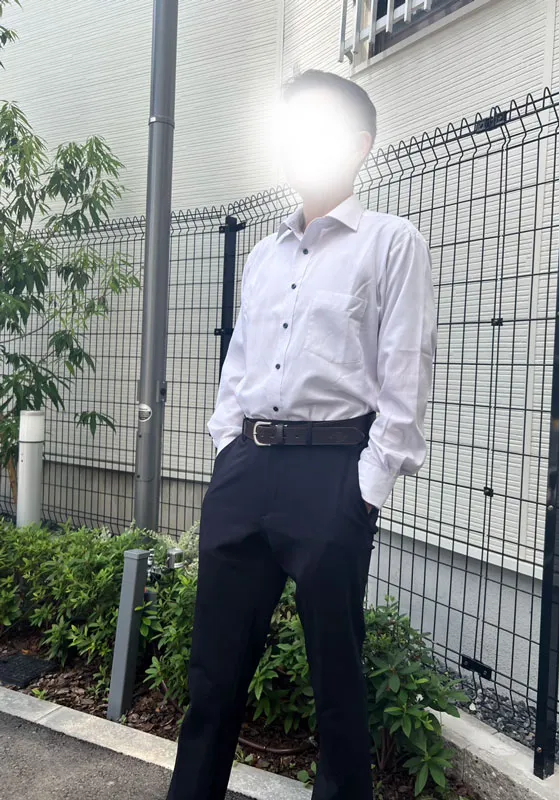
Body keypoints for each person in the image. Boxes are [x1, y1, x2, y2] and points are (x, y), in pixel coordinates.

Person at [166, 69, 437, 800]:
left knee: (336, 679)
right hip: (245, 471)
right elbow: (240, 363)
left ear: (359, 145)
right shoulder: (264, 256)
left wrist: (367, 485)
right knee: (213, 672)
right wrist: (227, 447)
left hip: (333, 474)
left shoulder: (390, 243)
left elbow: (405, 372)